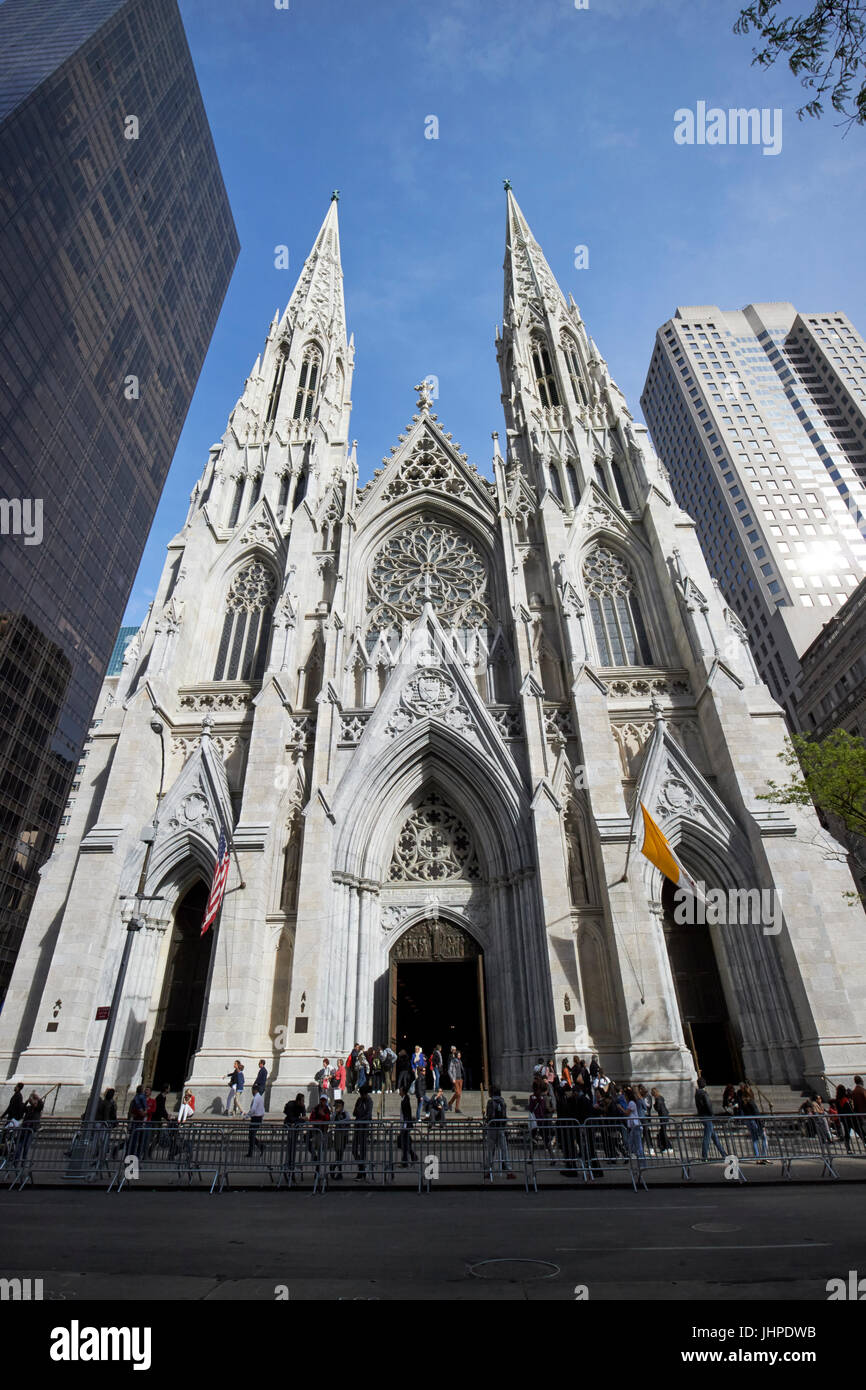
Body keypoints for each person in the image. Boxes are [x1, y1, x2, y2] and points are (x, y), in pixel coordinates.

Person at [485, 1085, 515, 1179]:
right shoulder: (503, 1102)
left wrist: (486, 1119)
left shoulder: (490, 1102)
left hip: (492, 1128)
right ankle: (508, 1170)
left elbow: (489, 1115)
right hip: (501, 1127)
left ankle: (488, 1170)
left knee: (490, 1150)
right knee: (504, 1149)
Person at [695, 1077, 726, 1160]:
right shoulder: (703, 1093)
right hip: (707, 1116)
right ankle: (704, 1156)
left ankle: (724, 1154)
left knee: (714, 1137)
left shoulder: (697, 1093)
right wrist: (712, 1114)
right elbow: (708, 1105)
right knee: (707, 1137)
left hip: (702, 1115)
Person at [739, 1084, 768, 1162]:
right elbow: (756, 1113)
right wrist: (762, 1125)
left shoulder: (743, 1102)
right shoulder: (751, 1101)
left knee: (754, 1139)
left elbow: (742, 1111)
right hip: (755, 1121)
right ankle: (764, 1156)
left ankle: (757, 1158)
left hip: (748, 1121)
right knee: (764, 1138)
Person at [352, 1084, 374, 1181]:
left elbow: (368, 1115)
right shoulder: (359, 1100)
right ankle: (361, 1167)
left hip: (364, 1129)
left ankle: (361, 1171)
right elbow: (354, 1112)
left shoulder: (369, 1101)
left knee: (363, 1151)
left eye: (362, 1095)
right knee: (354, 1150)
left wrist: (360, 1119)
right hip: (357, 1128)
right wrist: (357, 1112)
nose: (361, 1096)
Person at [127, 1085, 148, 1157]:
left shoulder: (137, 1098)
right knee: (135, 1140)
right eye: (144, 1089)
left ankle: (132, 1157)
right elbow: (140, 1108)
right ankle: (133, 1157)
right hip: (138, 1121)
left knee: (136, 1140)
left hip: (138, 1121)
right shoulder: (139, 1097)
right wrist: (143, 1112)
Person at [399, 1084, 418, 1166]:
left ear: (403, 1092)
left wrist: (405, 1125)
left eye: (400, 1090)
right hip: (404, 1124)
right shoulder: (404, 1099)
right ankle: (412, 1157)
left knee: (404, 1143)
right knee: (405, 1143)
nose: (399, 1092)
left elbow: (406, 1114)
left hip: (405, 1125)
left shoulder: (405, 1100)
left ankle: (405, 1161)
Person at [330, 1099, 349, 1179]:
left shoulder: (345, 1113)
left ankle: (334, 1166)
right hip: (338, 1134)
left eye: (338, 1106)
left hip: (344, 1134)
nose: (337, 1108)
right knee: (339, 1152)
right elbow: (331, 1120)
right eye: (336, 1106)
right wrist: (335, 1113)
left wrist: (340, 1121)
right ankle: (339, 1172)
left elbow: (348, 1119)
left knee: (341, 1153)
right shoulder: (335, 1114)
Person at [247, 1085, 266, 1156]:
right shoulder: (260, 1098)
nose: (252, 1092)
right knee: (252, 1135)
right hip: (259, 1118)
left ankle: (251, 1152)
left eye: (252, 1090)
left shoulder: (256, 1098)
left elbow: (253, 1109)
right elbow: (262, 1109)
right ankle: (260, 1147)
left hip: (255, 1118)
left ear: (255, 1090)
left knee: (251, 1135)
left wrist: (246, 1116)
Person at [835, 1083, 854, 1152]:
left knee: (847, 1133)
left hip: (844, 1119)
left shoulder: (838, 1100)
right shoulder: (844, 1100)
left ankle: (848, 1147)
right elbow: (849, 1109)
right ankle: (848, 1147)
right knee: (858, 1132)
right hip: (849, 1118)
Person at [651, 1087, 671, 1152]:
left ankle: (668, 1147)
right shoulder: (661, 1097)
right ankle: (667, 1147)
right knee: (662, 1131)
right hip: (665, 1114)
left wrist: (654, 1105)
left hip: (663, 1116)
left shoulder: (657, 1099)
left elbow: (658, 1108)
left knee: (663, 1132)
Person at [447, 1048, 464, 1113]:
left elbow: (462, 1070)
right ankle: (450, 1103)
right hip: (455, 1079)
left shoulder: (460, 1061)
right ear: (456, 1055)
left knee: (459, 1094)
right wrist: (452, 1079)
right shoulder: (453, 1061)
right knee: (458, 1093)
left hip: (460, 1079)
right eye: (459, 1055)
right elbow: (449, 1070)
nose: (460, 1056)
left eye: (460, 1055)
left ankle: (456, 1108)